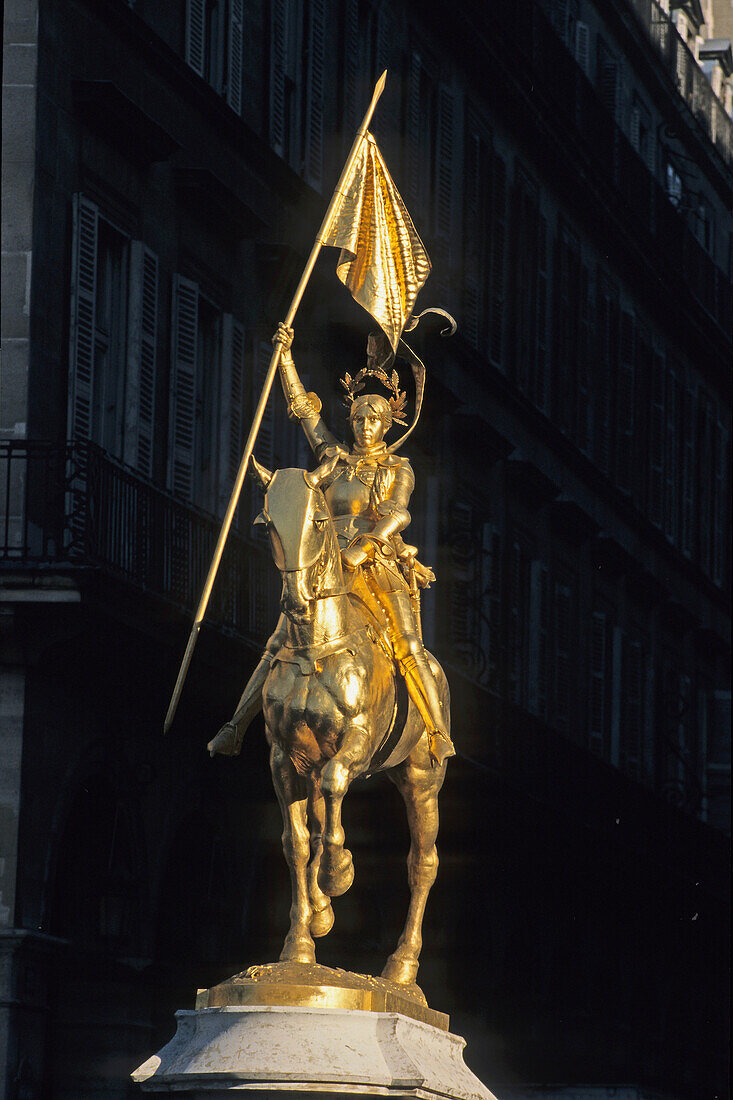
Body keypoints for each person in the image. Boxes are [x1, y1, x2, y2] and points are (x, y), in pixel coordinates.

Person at [208, 323, 454, 766]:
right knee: (280, 640)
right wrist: (285, 358)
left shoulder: (398, 466)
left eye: (373, 419)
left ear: (387, 422)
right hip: (326, 564)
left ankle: (436, 731)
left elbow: (399, 512)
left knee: (408, 644)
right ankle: (235, 726)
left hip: (373, 561)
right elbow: (304, 412)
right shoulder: (333, 460)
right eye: (358, 418)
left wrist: (368, 542)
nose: (363, 427)